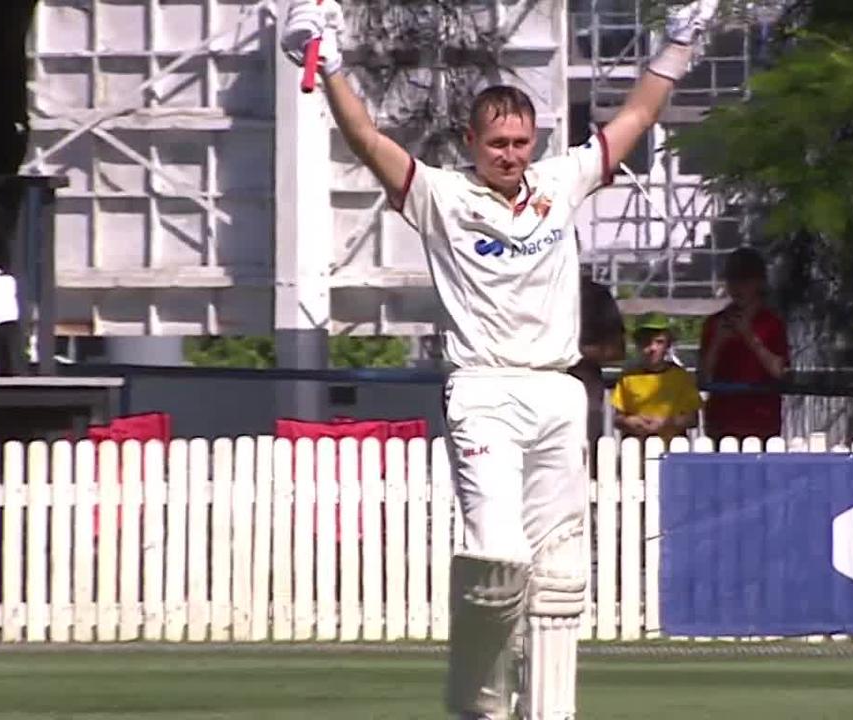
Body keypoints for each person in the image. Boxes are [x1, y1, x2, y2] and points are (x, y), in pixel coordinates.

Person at [281, 1, 720, 717]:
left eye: (520, 142)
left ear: (534, 139)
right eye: (497, 144)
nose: (510, 155)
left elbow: (636, 119)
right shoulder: (442, 196)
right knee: (498, 562)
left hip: (557, 390)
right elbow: (364, 137)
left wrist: (677, 43)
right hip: (484, 389)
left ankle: (546, 709)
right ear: (471, 141)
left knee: (560, 573)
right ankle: (480, 703)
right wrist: (327, 61)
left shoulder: (559, 183)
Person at [698, 247, 788, 440]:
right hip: (721, 424)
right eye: (732, 280)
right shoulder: (714, 323)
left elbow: (779, 371)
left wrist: (750, 337)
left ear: (759, 283)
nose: (737, 287)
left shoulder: (772, 324)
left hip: (761, 423)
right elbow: (703, 378)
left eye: (745, 281)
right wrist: (717, 343)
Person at [611, 313, 700, 443]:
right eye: (646, 342)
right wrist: (631, 421)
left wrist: (667, 422)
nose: (653, 348)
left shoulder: (681, 377)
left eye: (659, 342)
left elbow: (692, 419)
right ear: (638, 345)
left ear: (668, 346)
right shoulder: (628, 378)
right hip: (635, 448)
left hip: (674, 446)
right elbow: (618, 417)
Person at [567, 271, 625, 469]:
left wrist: (571, 352)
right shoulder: (531, 288)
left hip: (585, 388)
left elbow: (616, 349)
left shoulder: (596, 295)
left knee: (586, 457)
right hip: (532, 391)